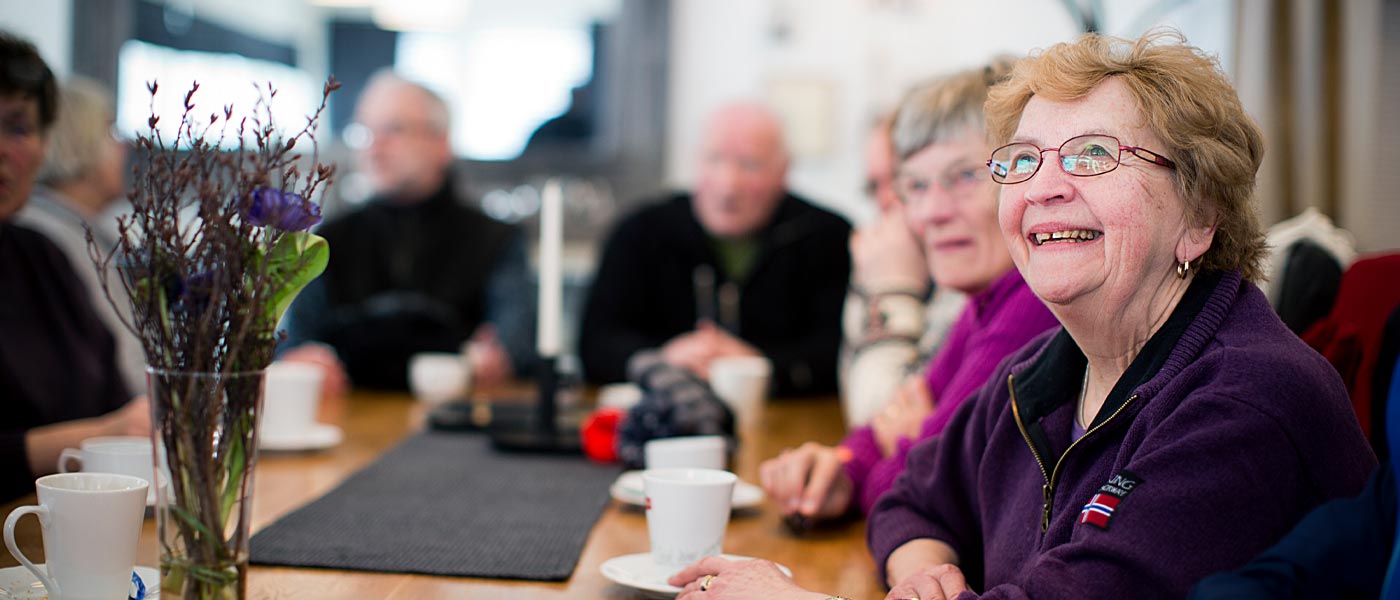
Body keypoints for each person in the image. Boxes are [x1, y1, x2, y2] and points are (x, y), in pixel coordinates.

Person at [671, 30, 1376, 600]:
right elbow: (910, 498)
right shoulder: (1045, 369)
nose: (1044, 189)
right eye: (1021, 161)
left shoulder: (1246, 399)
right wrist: (922, 573)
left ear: (1199, 216)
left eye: (1094, 155)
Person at [762, 60, 1058, 524]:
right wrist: (837, 469)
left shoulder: (1033, 300)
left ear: (1022, 174)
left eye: (964, 176)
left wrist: (909, 447)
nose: (933, 212)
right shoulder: (985, 301)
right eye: (916, 186)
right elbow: (882, 429)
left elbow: (917, 490)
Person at [284, 71, 535, 391]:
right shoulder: (329, 239)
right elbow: (294, 343)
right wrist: (302, 361)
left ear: (441, 142)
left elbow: (516, 343)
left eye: (394, 130)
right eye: (364, 132)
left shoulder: (495, 239)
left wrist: (500, 358)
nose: (374, 147)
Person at [579, 102, 851, 396]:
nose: (728, 184)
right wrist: (664, 357)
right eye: (714, 159)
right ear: (695, 162)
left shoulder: (827, 237)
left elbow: (841, 354)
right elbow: (595, 345)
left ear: (782, 171)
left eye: (750, 164)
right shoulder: (641, 232)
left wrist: (761, 368)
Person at [0, 31, 149, 502]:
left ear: (44, 145)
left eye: (17, 127)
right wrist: (93, 437)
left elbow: (120, 394)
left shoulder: (43, 258)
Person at [838, 116, 967, 426]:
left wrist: (892, 289)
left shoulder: (970, 269)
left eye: (904, 181)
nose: (886, 201)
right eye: (874, 186)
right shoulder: (885, 253)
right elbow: (861, 415)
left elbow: (882, 418)